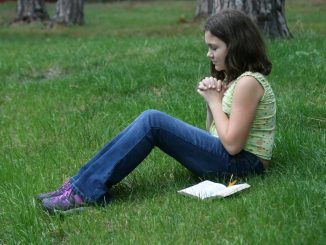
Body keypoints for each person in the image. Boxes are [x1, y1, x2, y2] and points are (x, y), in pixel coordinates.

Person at [38, 10, 276, 213]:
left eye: (214, 47)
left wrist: (215, 101)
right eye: (208, 47)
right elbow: (215, 134)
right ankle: (77, 185)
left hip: (245, 166)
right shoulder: (236, 81)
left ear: (235, 46)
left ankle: (84, 191)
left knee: (153, 121)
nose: (209, 54)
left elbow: (233, 146)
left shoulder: (248, 83)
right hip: (233, 160)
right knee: (151, 120)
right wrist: (213, 102)